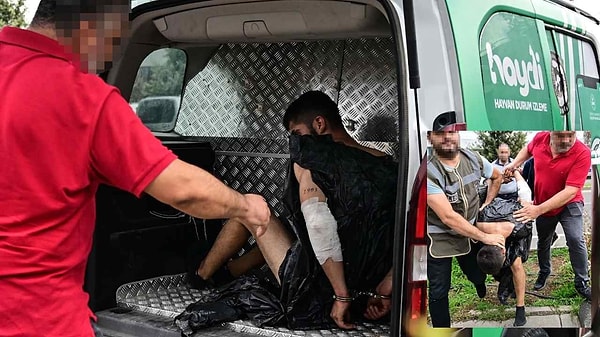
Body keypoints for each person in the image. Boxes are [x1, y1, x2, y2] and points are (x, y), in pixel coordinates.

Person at [0, 1, 271, 336]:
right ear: (92, 24)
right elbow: (182, 189)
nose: (112, 53)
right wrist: (245, 206)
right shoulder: (81, 97)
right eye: (115, 38)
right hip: (39, 321)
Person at [188, 90, 396, 330]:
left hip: (314, 292)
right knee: (285, 225)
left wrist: (341, 296)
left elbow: (319, 224)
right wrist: (386, 288)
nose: (295, 142)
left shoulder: (310, 156)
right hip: (367, 292)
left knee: (247, 206)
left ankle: (201, 275)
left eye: (296, 133)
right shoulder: (387, 164)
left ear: (319, 123)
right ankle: (228, 272)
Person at [426, 130, 506, 328]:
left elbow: (497, 176)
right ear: (429, 138)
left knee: (476, 272)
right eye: (439, 133)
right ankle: (441, 330)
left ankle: (478, 282)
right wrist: (485, 237)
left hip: (468, 232)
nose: (447, 137)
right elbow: (448, 217)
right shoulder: (427, 170)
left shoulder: (474, 158)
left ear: (458, 134)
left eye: (451, 132)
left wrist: (486, 204)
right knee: (438, 290)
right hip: (439, 237)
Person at [504, 131, 592, 301]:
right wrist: (514, 164)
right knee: (544, 240)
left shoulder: (582, 153)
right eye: (560, 136)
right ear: (551, 134)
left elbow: (571, 191)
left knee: (575, 239)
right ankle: (544, 271)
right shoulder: (540, 138)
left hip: (569, 203)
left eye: (570, 135)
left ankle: (582, 281)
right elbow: (527, 150)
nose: (566, 140)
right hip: (543, 202)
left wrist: (537, 210)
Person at [476, 170, 533, 327]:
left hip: (514, 222)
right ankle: (506, 283)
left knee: (516, 265)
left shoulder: (521, 225)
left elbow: (525, 196)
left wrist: (514, 174)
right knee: (497, 265)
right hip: (490, 218)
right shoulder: (477, 227)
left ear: (503, 251)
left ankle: (520, 308)